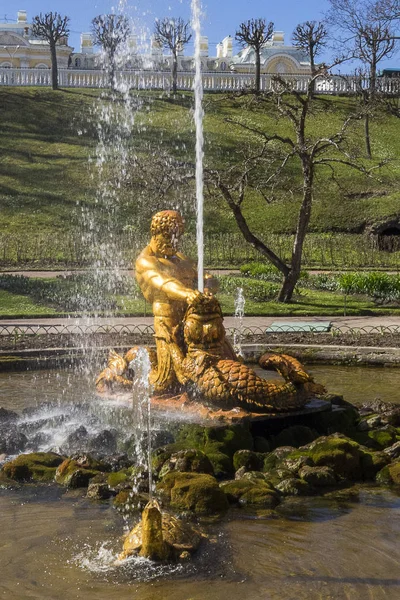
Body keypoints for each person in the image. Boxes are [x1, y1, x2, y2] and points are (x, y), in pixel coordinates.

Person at [135, 210, 218, 392]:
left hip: (190, 319)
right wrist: (187, 293)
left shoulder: (181, 259)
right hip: (167, 319)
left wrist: (207, 289)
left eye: (177, 236)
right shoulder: (145, 261)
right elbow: (164, 283)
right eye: (168, 236)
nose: (174, 241)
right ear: (155, 233)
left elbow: (208, 277)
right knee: (165, 382)